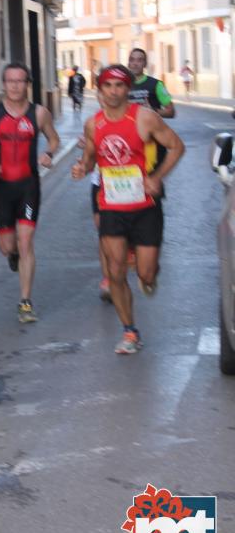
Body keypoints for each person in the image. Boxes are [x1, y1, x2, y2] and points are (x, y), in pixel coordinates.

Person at [71, 64, 185, 355]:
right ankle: (130, 331)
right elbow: (90, 160)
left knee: (145, 275)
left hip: (145, 207)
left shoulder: (145, 118)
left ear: (127, 90)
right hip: (111, 207)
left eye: (119, 86)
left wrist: (156, 178)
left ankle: (148, 273)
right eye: (107, 86)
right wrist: (81, 168)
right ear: (99, 90)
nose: (113, 91)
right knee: (117, 272)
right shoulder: (93, 124)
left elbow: (177, 146)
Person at [0, 62, 60, 323]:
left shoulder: (39, 113)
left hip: (28, 186)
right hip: (1, 187)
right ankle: (13, 256)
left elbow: (54, 139)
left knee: (26, 241)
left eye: (20, 81)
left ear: (27, 84)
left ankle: (25, 302)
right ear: (4, 84)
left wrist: (49, 153)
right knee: (8, 246)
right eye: (10, 81)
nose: (15, 86)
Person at [128, 48, 175, 118]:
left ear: (145, 64)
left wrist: (153, 110)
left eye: (139, 60)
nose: (135, 63)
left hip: (150, 128)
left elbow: (171, 112)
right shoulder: (121, 84)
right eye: (132, 60)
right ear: (128, 63)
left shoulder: (156, 84)